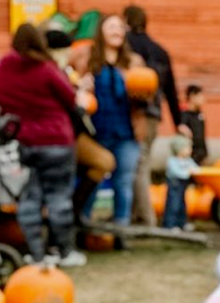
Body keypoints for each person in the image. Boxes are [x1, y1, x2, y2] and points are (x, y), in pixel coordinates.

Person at [0, 24, 88, 267]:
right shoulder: (46, 68)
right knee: (59, 198)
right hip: (56, 140)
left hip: (22, 140)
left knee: (29, 197)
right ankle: (62, 251)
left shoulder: (0, 68)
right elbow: (70, 98)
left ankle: (35, 252)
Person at [74, 15, 146, 228]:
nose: (118, 31)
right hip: (96, 131)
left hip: (126, 132)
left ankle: (120, 229)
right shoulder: (85, 58)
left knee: (123, 182)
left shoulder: (134, 62)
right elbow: (67, 79)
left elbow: (148, 94)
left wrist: (142, 93)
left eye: (121, 28)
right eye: (112, 26)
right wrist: (80, 86)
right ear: (101, 31)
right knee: (94, 180)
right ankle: (84, 224)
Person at [43, 28, 117, 230]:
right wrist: (79, 95)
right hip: (57, 137)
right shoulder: (50, 71)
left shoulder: (64, 71)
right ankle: (65, 223)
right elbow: (65, 102)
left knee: (104, 162)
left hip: (70, 133)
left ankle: (75, 211)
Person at [123, 5, 189, 226]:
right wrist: (178, 122)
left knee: (136, 165)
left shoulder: (125, 46)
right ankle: (134, 215)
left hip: (131, 113)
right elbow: (171, 90)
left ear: (125, 21)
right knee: (142, 163)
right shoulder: (159, 51)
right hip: (153, 114)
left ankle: (146, 218)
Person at [163, 135, 198, 230]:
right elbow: (177, 172)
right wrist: (188, 172)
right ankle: (170, 224)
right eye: (188, 148)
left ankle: (181, 223)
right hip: (175, 184)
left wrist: (195, 171)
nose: (190, 150)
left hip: (183, 185)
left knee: (182, 204)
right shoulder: (172, 161)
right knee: (173, 204)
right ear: (179, 149)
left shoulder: (188, 160)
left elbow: (195, 168)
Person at [180, 84, 208, 165]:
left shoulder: (200, 115)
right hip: (189, 156)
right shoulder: (184, 115)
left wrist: (205, 152)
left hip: (201, 154)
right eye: (200, 96)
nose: (202, 99)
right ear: (192, 96)